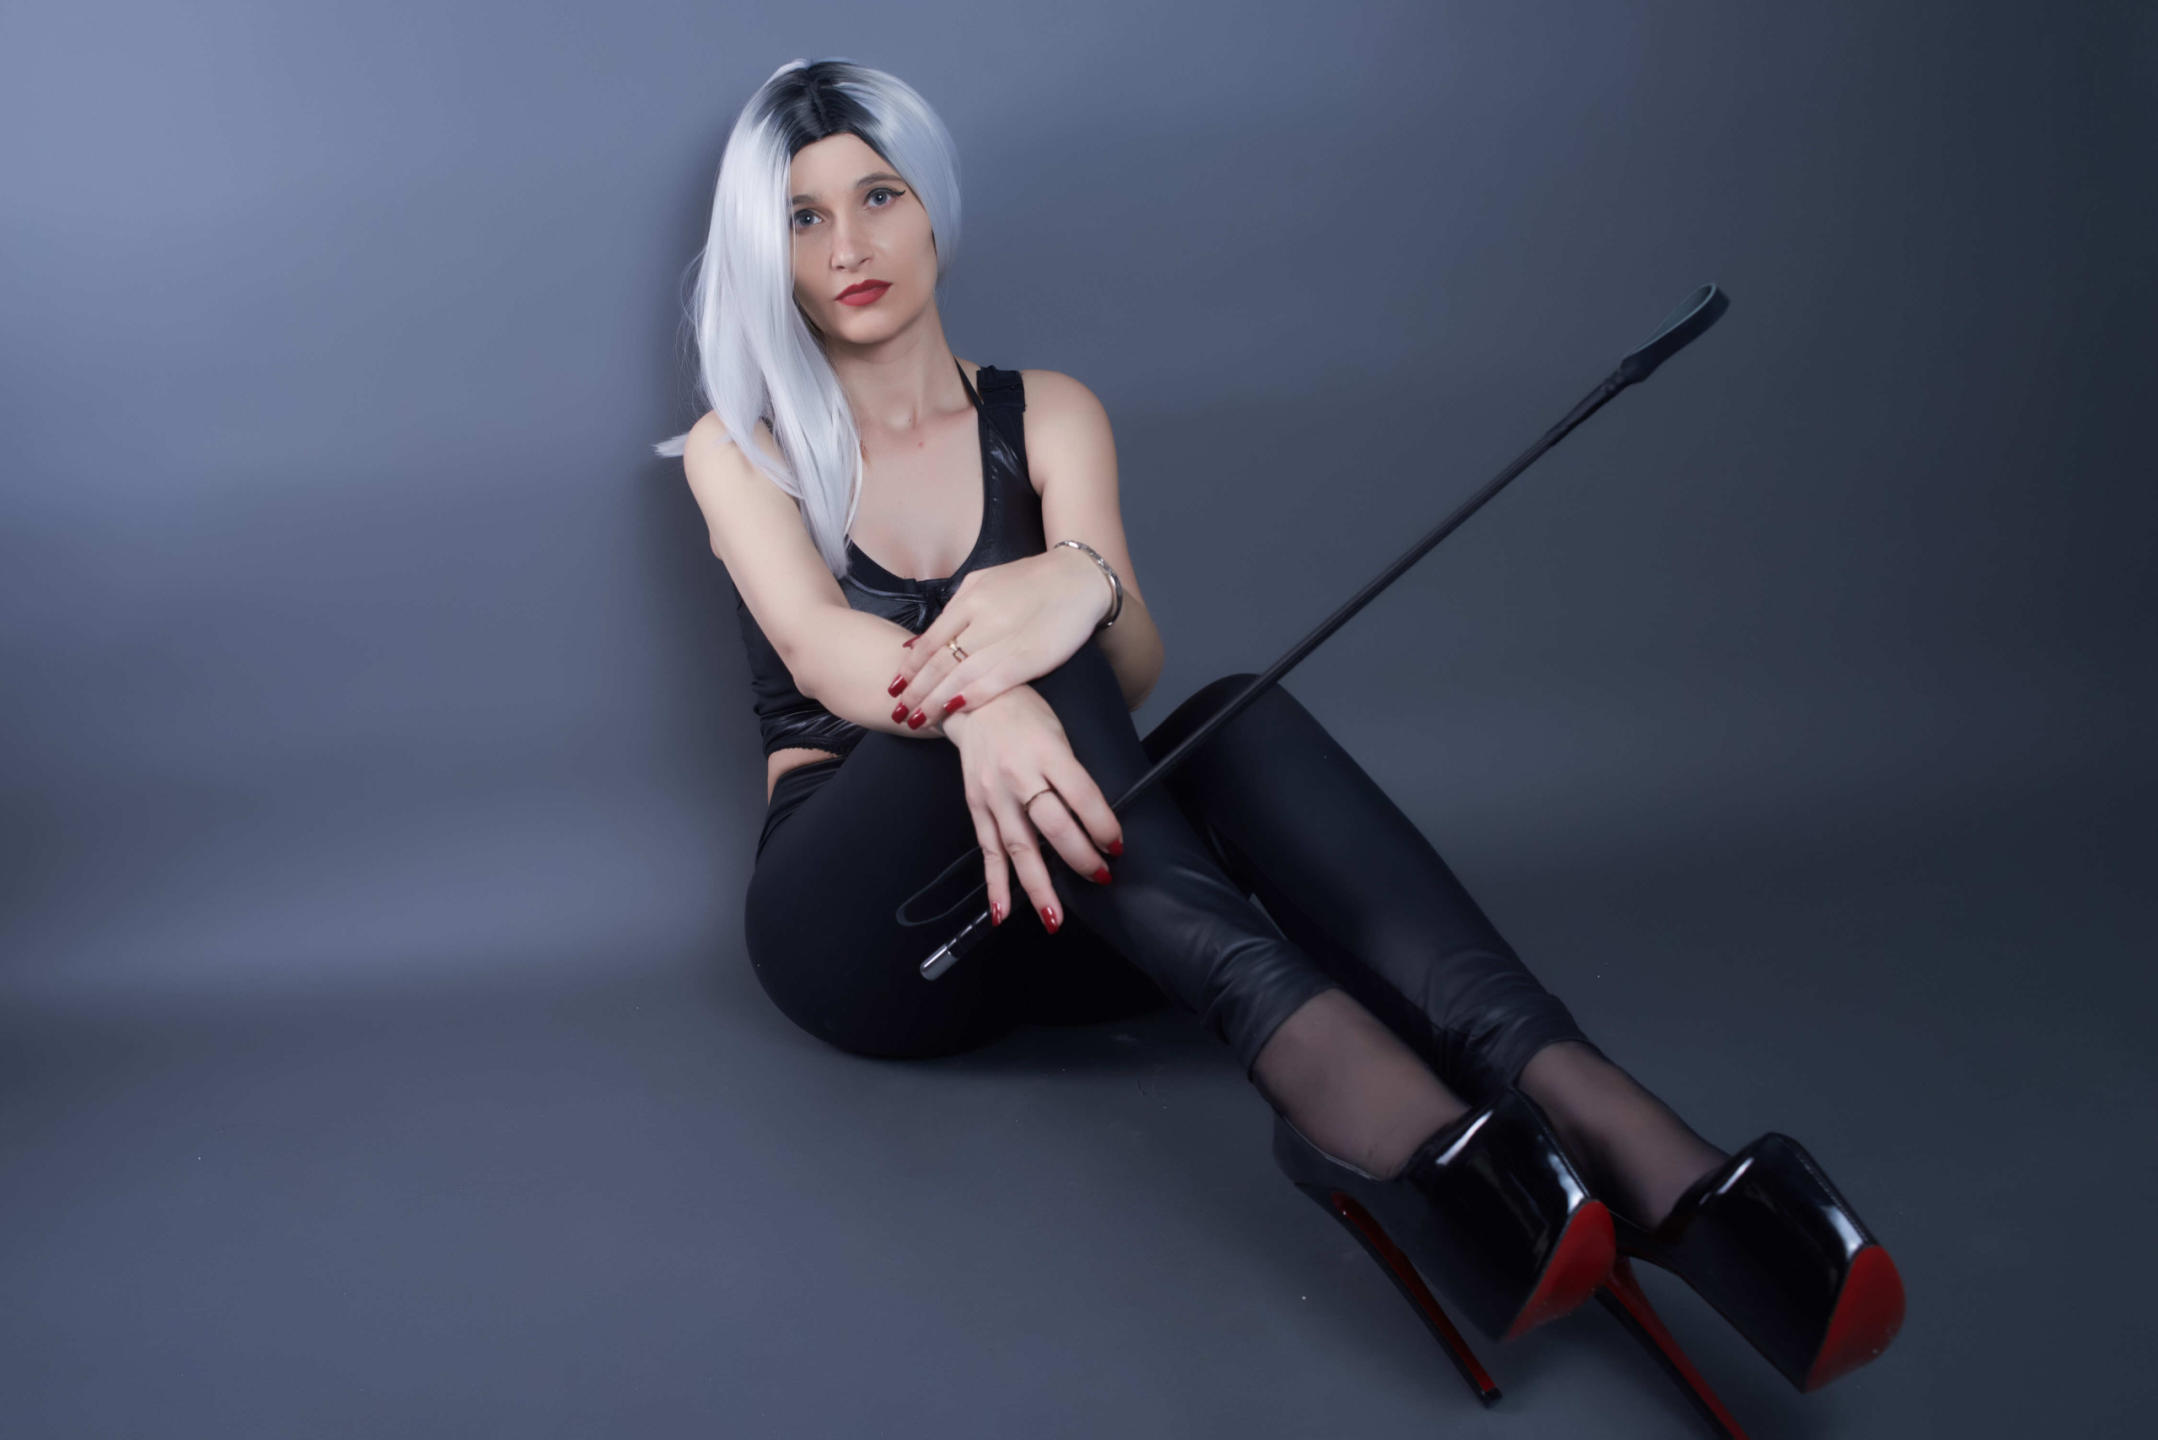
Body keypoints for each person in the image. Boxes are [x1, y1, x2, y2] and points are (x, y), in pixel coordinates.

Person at [654, 57, 1903, 1406]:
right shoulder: (746, 446)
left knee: (1229, 713)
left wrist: (1078, 583)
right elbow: (819, 646)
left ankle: (1624, 1143)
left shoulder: (1047, 412)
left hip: (1077, 912)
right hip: (873, 937)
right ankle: (1384, 1119)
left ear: (930, 208)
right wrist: (990, 689)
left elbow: (1134, 668)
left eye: (878, 196)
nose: (848, 247)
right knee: (1029, 650)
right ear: (766, 251)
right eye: (802, 217)